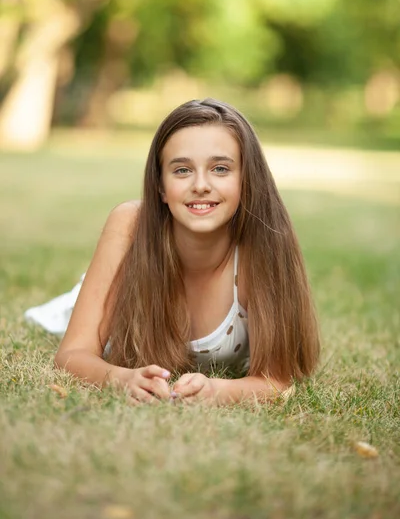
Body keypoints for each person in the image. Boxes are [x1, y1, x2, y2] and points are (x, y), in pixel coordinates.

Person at [25, 98, 320, 405]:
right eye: (182, 170)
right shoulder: (130, 226)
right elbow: (72, 355)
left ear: (247, 180)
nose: (201, 185)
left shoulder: (265, 245)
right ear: (161, 187)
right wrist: (120, 378)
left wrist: (218, 391)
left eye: (220, 168)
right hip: (111, 302)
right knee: (64, 311)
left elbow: (277, 380)